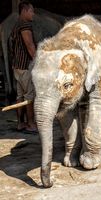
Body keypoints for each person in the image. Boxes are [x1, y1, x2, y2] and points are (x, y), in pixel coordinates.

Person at [9, 0, 37, 132]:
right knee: (30, 96)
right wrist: (38, 62)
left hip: (17, 67)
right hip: (25, 67)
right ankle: (31, 123)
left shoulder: (15, 25)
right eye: (31, 11)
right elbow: (30, 46)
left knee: (20, 96)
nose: (33, 14)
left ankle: (20, 123)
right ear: (24, 10)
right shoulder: (25, 25)